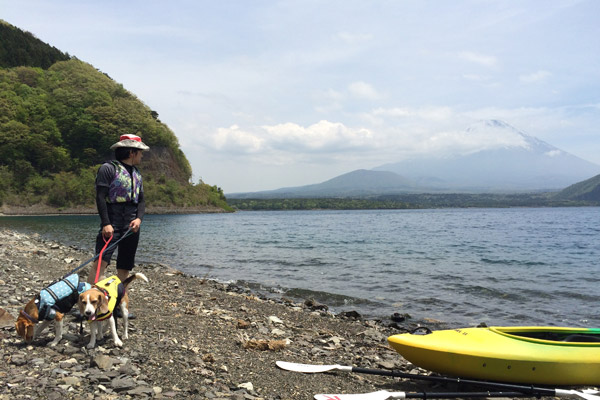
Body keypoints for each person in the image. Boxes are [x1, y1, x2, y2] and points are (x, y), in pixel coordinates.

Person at [88, 134, 149, 286]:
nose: (142, 155)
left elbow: (141, 200)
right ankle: (93, 303)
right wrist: (106, 223)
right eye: (140, 152)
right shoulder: (108, 169)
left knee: (125, 264)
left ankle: (119, 303)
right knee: (102, 260)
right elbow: (100, 197)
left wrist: (139, 219)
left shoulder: (137, 173)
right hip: (112, 220)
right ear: (131, 152)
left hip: (131, 224)